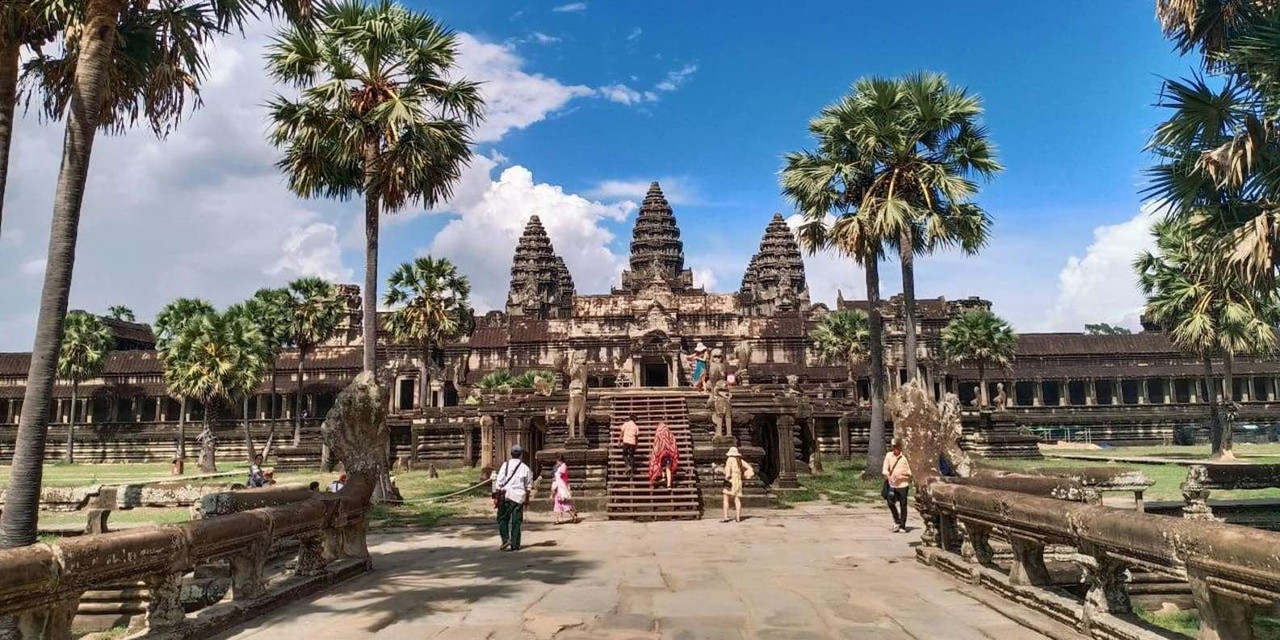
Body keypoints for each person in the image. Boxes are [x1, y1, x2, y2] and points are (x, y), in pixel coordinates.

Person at [492, 444, 533, 551]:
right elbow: (528, 486)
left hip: (506, 496)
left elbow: (499, 483)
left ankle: (505, 539)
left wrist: (496, 497)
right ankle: (515, 545)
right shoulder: (525, 468)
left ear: (511, 454)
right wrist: (527, 500)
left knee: (502, 519)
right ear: (521, 455)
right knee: (516, 522)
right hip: (519, 498)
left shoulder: (505, 465)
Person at [882, 438, 913, 533]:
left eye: (897, 447)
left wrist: (901, 476)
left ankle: (902, 525)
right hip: (892, 485)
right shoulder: (888, 456)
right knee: (890, 502)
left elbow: (909, 473)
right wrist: (889, 477)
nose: (895, 449)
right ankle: (897, 520)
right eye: (893, 447)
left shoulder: (904, 458)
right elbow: (885, 470)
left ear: (900, 448)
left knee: (903, 505)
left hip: (903, 485)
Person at [721, 446, 753, 523]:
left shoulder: (729, 460)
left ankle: (725, 517)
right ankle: (738, 518)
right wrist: (746, 475)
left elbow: (728, 472)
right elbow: (749, 468)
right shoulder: (740, 460)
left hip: (730, 480)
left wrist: (725, 476)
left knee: (726, 499)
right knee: (737, 499)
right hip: (738, 481)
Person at [648, 421, 679, 490]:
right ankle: (669, 485)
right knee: (668, 468)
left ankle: (663, 477)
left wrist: (655, 454)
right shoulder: (670, 435)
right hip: (669, 454)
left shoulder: (658, 434)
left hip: (661, 454)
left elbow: (656, 445)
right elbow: (674, 444)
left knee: (661, 466)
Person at [551, 453, 579, 524]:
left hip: (561, 488)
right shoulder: (562, 467)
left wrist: (553, 489)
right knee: (558, 504)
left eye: (557, 461)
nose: (557, 463)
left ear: (559, 461)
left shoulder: (562, 468)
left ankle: (573, 515)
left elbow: (558, 479)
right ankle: (558, 519)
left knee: (564, 504)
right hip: (560, 488)